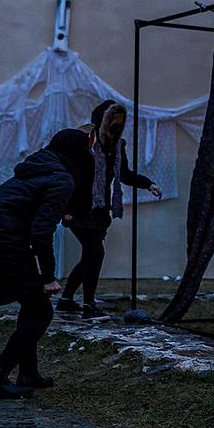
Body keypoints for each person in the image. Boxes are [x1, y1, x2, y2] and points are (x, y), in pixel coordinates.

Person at [0, 129, 93, 399]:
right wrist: (48, 275)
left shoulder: (42, 168)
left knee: (32, 305)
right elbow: (41, 230)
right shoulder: (61, 179)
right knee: (40, 310)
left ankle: (28, 373)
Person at [56, 100, 161, 319]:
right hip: (77, 207)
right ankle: (88, 305)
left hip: (99, 210)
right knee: (95, 252)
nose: (115, 125)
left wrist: (148, 184)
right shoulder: (82, 142)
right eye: (112, 120)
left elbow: (125, 174)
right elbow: (68, 176)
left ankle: (66, 300)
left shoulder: (117, 146)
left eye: (119, 122)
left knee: (89, 256)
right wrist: (65, 207)